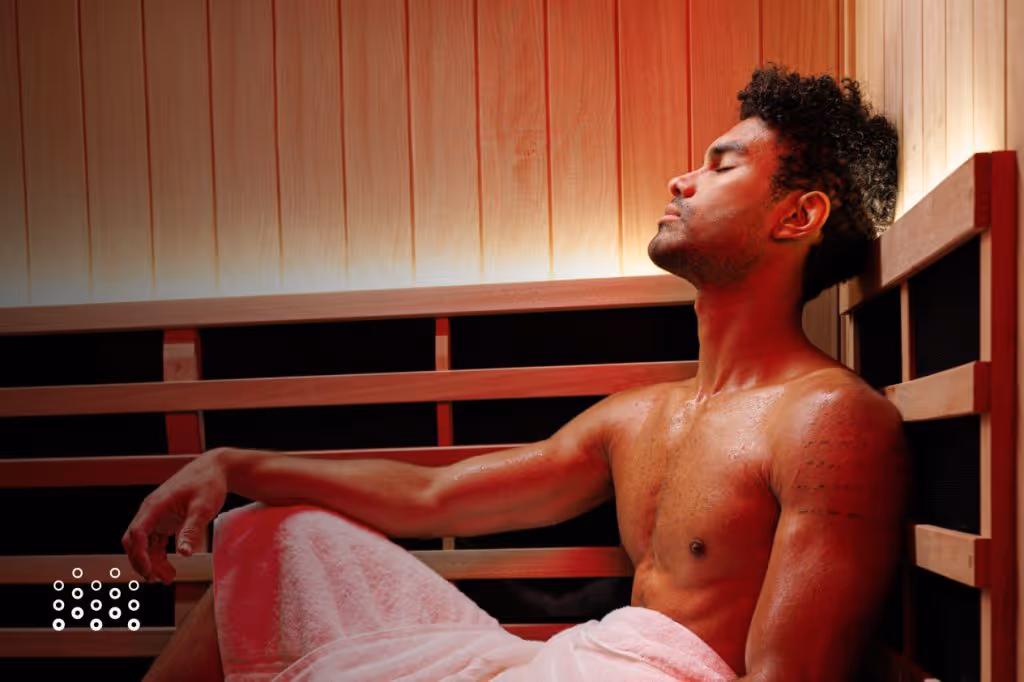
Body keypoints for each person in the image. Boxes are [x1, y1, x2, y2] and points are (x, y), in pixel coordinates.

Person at [124, 64, 906, 682]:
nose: (681, 181)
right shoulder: (635, 419)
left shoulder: (827, 419)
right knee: (275, 536)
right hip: (567, 665)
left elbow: (788, 675)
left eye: (719, 167)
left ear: (796, 217)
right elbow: (433, 496)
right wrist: (231, 465)